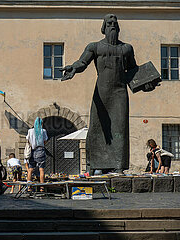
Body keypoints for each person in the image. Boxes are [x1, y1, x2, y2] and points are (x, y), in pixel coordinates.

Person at [60, 14, 157, 174]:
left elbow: (133, 71)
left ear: (118, 28)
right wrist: (73, 68)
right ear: (103, 28)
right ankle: (94, 165)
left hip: (119, 92)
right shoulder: (94, 47)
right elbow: (82, 62)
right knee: (97, 128)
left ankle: (118, 165)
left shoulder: (126, 48)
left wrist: (147, 83)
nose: (112, 25)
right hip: (102, 92)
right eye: (109, 23)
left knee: (120, 127)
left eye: (114, 23)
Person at [26, 117, 48, 191]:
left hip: (32, 150)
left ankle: (29, 187)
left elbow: (28, 140)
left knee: (30, 169)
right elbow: (45, 141)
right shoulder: (43, 131)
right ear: (41, 124)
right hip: (40, 150)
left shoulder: (30, 131)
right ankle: (42, 187)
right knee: (41, 169)